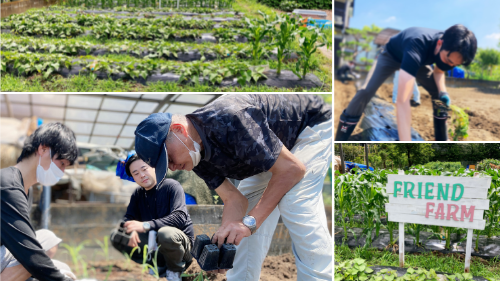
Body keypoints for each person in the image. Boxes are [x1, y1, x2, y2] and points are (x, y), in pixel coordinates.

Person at [134, 94, 332, 281]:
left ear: (179, 130)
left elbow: (292, 169)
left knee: (294, 203)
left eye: (168, 158)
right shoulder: (195, 155)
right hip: (269, 153)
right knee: (243, 222)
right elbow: (233, 199)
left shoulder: (231, 118)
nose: (172, 167)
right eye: (164, 166)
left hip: (309, 126)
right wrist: (226, 241)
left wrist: (249, 223)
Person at [335, 24, 477, 141]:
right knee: (366, 91)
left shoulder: (449, 45)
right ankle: (341, 136)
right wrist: (406, 143)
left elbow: (439, 71)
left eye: (454, 65)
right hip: (390, 56)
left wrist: (443, 92)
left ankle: (442, 140)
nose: (449, 66)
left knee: (439, 96)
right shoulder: (419, 43)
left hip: (419, 62)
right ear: (439, 44)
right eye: (449, 61)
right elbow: (403, 100)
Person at [1, 122, 78, 281]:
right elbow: (28, 252)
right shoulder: (8, 185)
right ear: (43, 149)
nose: (62, 172)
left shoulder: (24, 189)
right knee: (44, 242)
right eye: (62, 163)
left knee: (61, 267)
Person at [110, 154, 194, 281]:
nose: (142, 175)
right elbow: (128, 217)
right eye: (136, 173)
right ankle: (157, 266)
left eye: (144, 169)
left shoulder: (171, 186)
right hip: (155, 244)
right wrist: (130, 228)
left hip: (181, 248)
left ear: (154, 168)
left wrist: (145, 225)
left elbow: (180, 217)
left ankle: (174, 272)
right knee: (117, 236)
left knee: (166, 233)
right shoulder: (138, 194)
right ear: (133, 177)